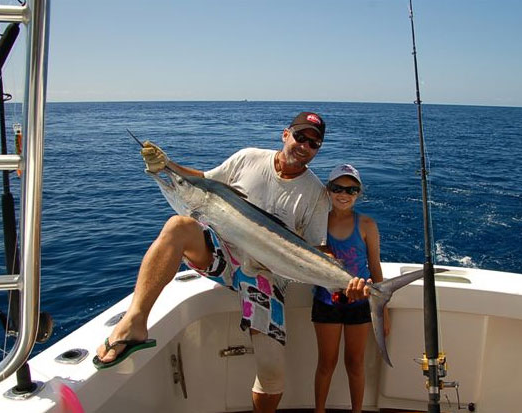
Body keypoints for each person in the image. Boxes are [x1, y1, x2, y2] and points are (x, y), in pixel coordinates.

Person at [94, 112, 369, 413]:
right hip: (222, 254)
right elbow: (204, 182)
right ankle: (134, 323)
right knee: (177, 226)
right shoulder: (248, 158)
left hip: (266, 274)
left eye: (314, 143)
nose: (305, 145)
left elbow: (318, 248)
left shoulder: (316, 193)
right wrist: (167, 166)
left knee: (272, 370)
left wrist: (347, 279)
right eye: (300, 137)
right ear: (285, 134)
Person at [312, 164, 389, 413]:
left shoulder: (367, 224)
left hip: (361, 304)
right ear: (327, 190)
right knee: (326, 363)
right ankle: (319, 410)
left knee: (355, 363)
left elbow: (375, 269)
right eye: (337, 188)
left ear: (359, 194)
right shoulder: (316, 223)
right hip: (326, 302)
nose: (344, 194)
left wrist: (383, 311)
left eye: (351, 190)